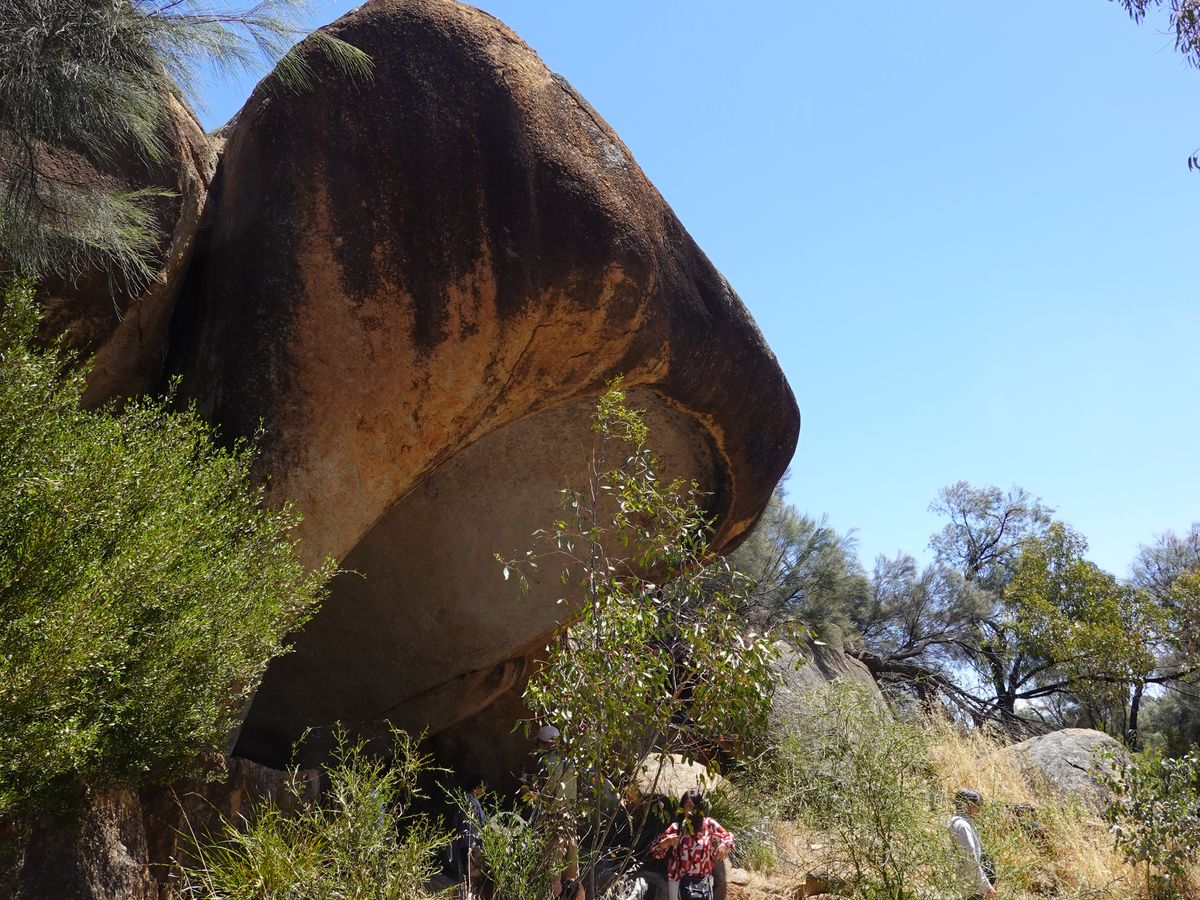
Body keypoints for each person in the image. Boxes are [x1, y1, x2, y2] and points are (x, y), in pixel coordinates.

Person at [650, 789, 734, 900]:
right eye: (689, 806)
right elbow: (655, 851)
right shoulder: (676, 828)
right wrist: (666, 843)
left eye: (695, 807)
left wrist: (724, 845)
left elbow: (728, 837)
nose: (692, 810)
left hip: (703, 882)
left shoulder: (708, 825)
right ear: (682, 808)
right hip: (678, 880)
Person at [532, 724, 582, 900]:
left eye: (538, 743)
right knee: (572, 872)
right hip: (570, 819)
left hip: (552, 820)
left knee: (553, 872)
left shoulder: (544, 762)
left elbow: (540, 792)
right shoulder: (571, 761)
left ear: (543, 743)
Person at [947, 788, 996, 900]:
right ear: (966, 806)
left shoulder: (961, 823)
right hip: (971, 886)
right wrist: (986, 886)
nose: (979, 808)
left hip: (971, 884)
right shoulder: (962, 826)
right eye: (976, 805)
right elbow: (970, 859)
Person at [451, 774, 488, 899]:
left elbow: (455, 822)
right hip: (472, 844)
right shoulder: (473, 802)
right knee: (474, 877)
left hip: (462, 843)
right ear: (476, 788)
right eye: (483, 789)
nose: (484, 792)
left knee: (466, 876)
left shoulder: (462, 800)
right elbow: (483, 822)